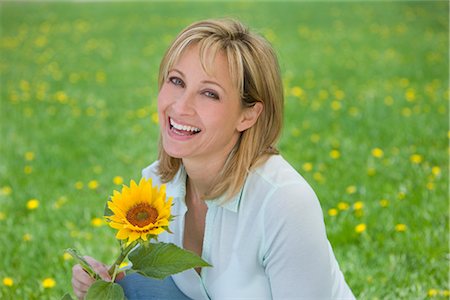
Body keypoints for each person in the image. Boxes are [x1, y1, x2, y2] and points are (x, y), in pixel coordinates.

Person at [72, 18, 355, 299]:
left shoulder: (284, 203)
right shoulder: (156, 185)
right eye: (176, 81)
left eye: (210, 93)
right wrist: (105, 285)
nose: (181, 106)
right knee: (129, 288)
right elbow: (156, 289)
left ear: (248, 114)